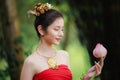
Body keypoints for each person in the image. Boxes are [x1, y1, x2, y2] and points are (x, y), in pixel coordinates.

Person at [20, 3, 105, 80]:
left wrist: (86, 77)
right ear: (41, 30)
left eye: (62, 30)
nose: (61, 34)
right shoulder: (31, 62)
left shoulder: (64, 55)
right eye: (56, 29)